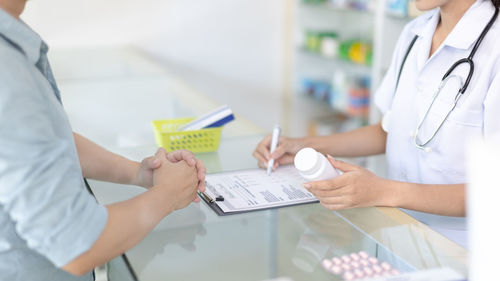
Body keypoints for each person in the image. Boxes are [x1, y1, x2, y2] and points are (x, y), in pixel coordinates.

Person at [254, 0, 500, 248]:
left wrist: (382, 191)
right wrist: (304, 146)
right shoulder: (415, 33)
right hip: (396, 234)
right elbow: (390, 131)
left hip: (464, 250)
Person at [0, 1, 206, 280]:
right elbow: (75, 243)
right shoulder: (8, 73)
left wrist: (138, 172)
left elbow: (45, 141)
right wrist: (167, 196)